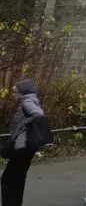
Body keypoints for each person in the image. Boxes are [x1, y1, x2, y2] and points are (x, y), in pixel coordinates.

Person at [1, 78, 46, 206]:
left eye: (16, 92)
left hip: (22, 147)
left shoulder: (27, 102)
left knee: (8, 179)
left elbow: (39, 114)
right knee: (17, 179)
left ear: (23, 92)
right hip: (26, 147)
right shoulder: (31, 100)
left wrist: (24, 124)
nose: (14, 95)